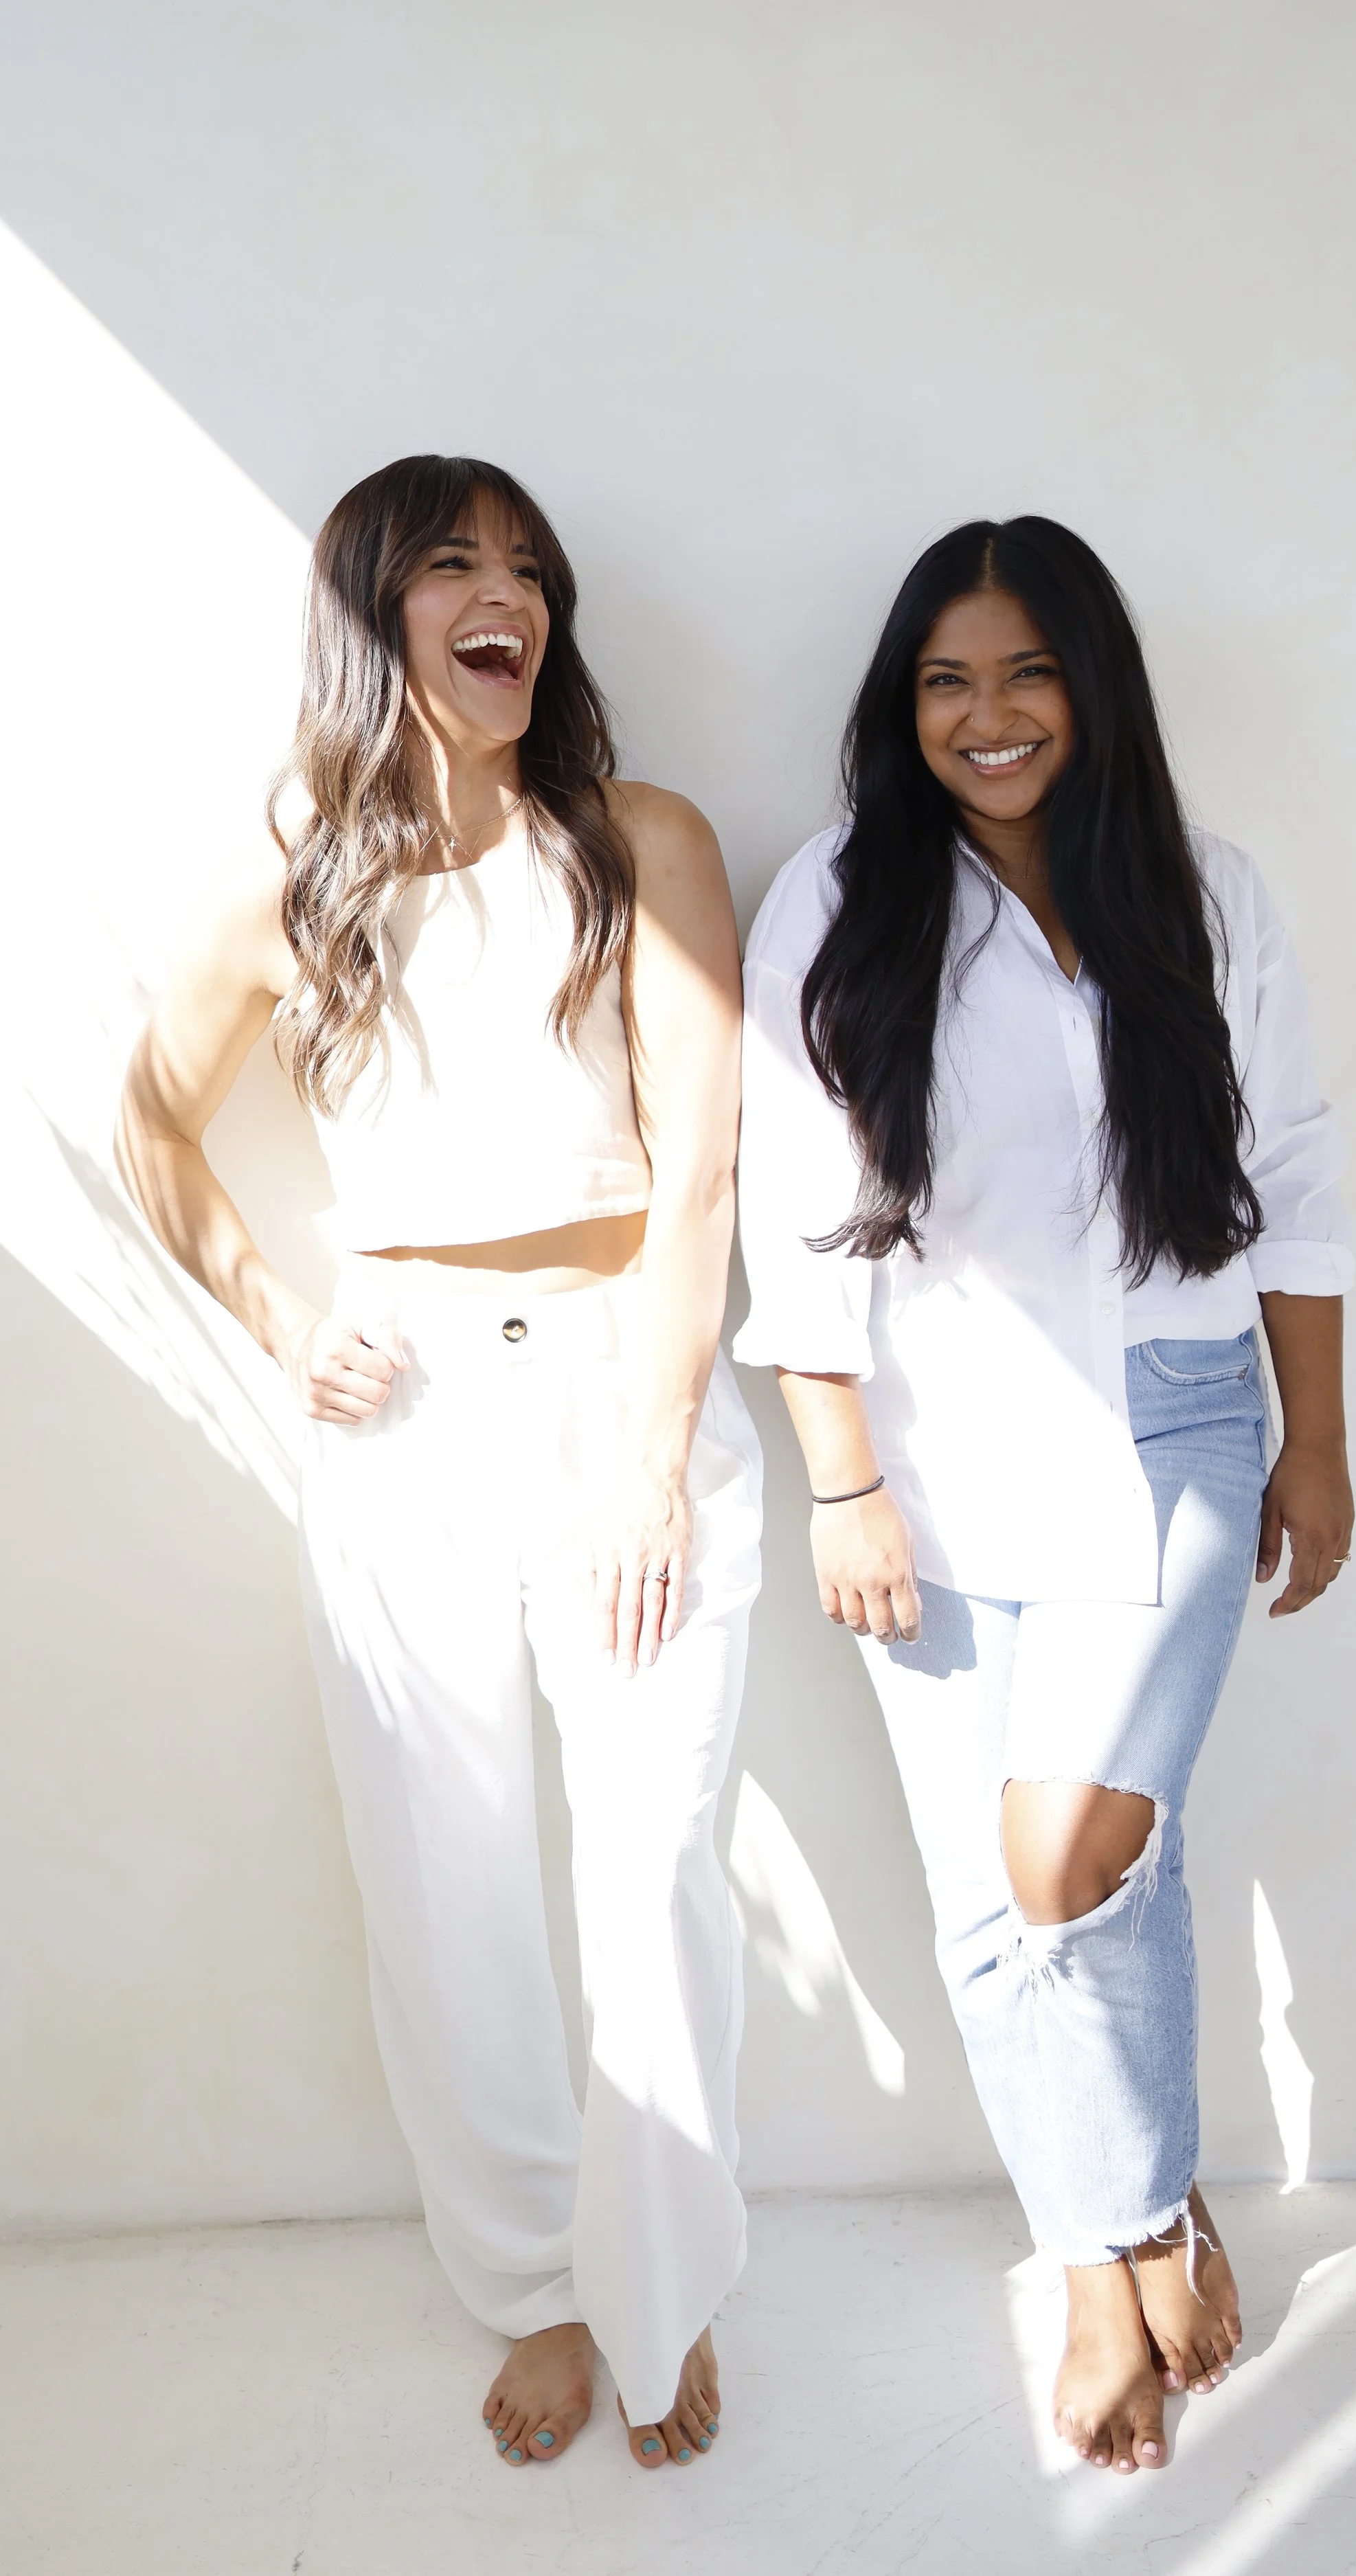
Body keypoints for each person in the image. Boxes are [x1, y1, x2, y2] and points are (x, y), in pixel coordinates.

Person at [117, 455, 762, 2474]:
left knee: (652, 1861)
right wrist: (281, 1321)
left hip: (626, 1388)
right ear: (369, 611)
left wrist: (654, 1456)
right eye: (456, 566)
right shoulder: (294, 879)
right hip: (406, 1414)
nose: (510, 599)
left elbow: (702, 1169)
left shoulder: (642, 840)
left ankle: (661, 2281)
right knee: (443, 1874)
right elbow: (151, 1124)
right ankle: (538, 2285)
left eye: (530, 570)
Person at [734, 515, 1355, 2474]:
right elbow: (795, 1209)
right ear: (901, 704)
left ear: (1091, 687)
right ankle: (1112, 2246)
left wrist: (1317, 1438)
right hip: (929, 1450)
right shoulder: (839, 898)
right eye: (946, 680)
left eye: (1025, 672)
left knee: (1066, 1853)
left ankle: (1132, 2199)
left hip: (1178, 1417)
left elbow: (1294, 1173)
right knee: (995, 1904)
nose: (987, 715)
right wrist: (841, 1481)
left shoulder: (1203, 891)